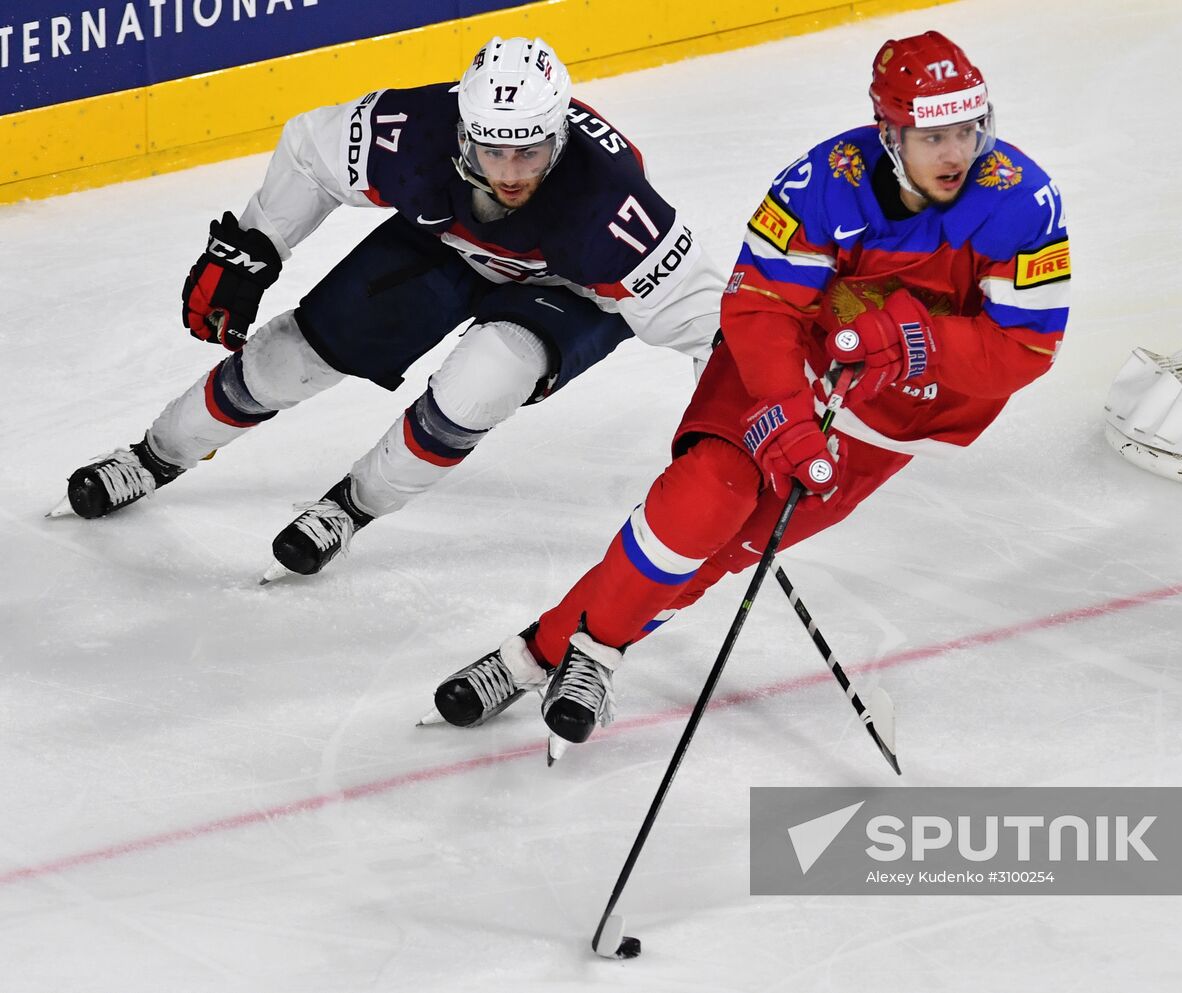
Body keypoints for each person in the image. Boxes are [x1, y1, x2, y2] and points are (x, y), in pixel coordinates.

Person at [429, 30, 1072, 748]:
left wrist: (917, 342)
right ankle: (595, 652)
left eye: (966, 130)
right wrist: (788, 410)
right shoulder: (826, 181)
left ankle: (538, 655)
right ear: (890, 133)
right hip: (786, 368)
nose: (955, 153)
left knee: (727, 548)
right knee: (709, 495)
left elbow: (1024, 348)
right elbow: (763, 306)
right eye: (932, 135)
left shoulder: (1022, 202)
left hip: (892, 418)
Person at [50, 36, 721, 582]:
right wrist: (256, 243)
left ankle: (350, 508)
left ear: (561, 140)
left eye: (530, 151)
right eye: (492, 150)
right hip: (452, 246)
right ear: (462, 135)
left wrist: (734, 431)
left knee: (485, 379)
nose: (511, 171)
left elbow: (710, 327)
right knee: (290, 359)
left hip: (567, 289)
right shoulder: (414, 130)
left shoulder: (614, 209)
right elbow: (311, 151)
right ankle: (153, 455)